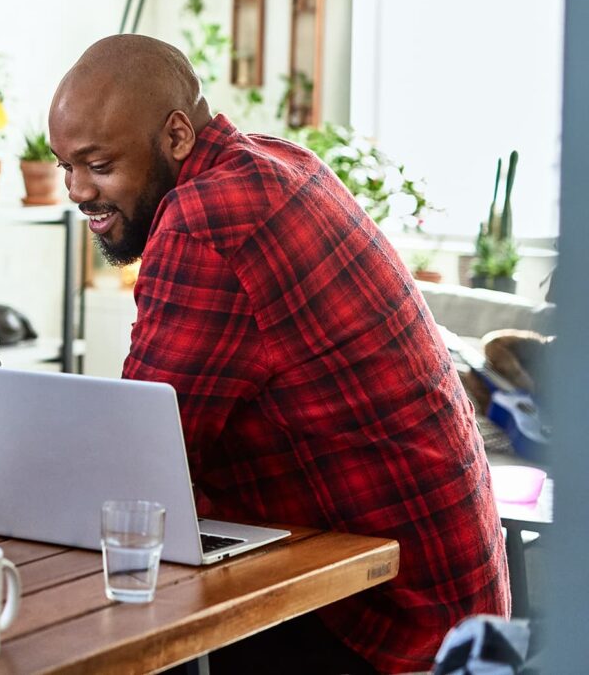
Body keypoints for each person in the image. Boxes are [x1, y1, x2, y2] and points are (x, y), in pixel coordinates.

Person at [48, 35, 508, 673]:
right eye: (64, 164)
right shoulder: (282, 160)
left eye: (98, 165)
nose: (76, 189)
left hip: (384, 617)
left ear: (177, 135)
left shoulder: (204, 218)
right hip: (454, 599)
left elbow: (141, 464)